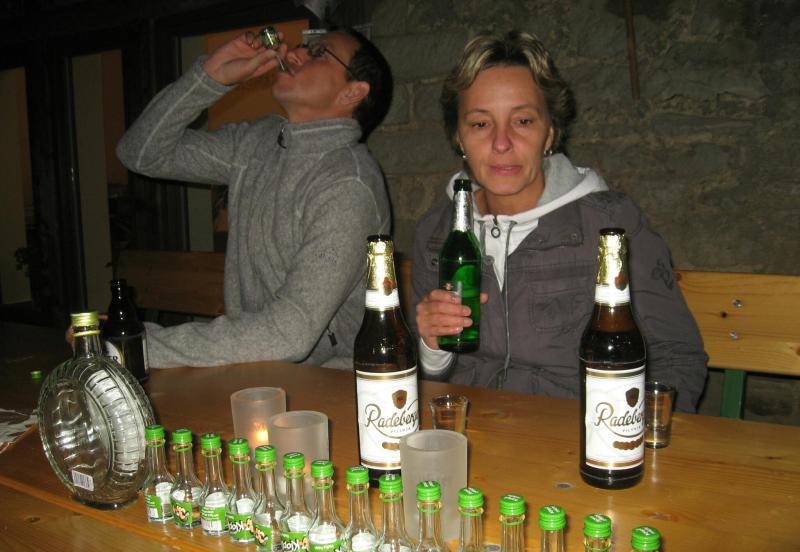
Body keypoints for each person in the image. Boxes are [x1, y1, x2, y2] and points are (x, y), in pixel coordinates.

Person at [411, 31, 707, 412]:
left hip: (580, 431)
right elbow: (422, 380)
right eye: (481, 124)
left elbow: (676, 357)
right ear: (459, 136)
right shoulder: (436, 232)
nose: (501, 143)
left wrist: (631, 435)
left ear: (550, 132)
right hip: (469, 430)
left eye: (522, 121)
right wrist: (432, 347)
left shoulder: (609, 225)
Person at [115, 27, 393, 369]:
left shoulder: (349, 183)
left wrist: (136, 345)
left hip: (329, 384)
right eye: (303, 46)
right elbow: (140, 153)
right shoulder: (258, 142)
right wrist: (209, 77)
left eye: (319, 53)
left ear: (354, 92)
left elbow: (290, 334)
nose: (294, 53)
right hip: (256, 370)